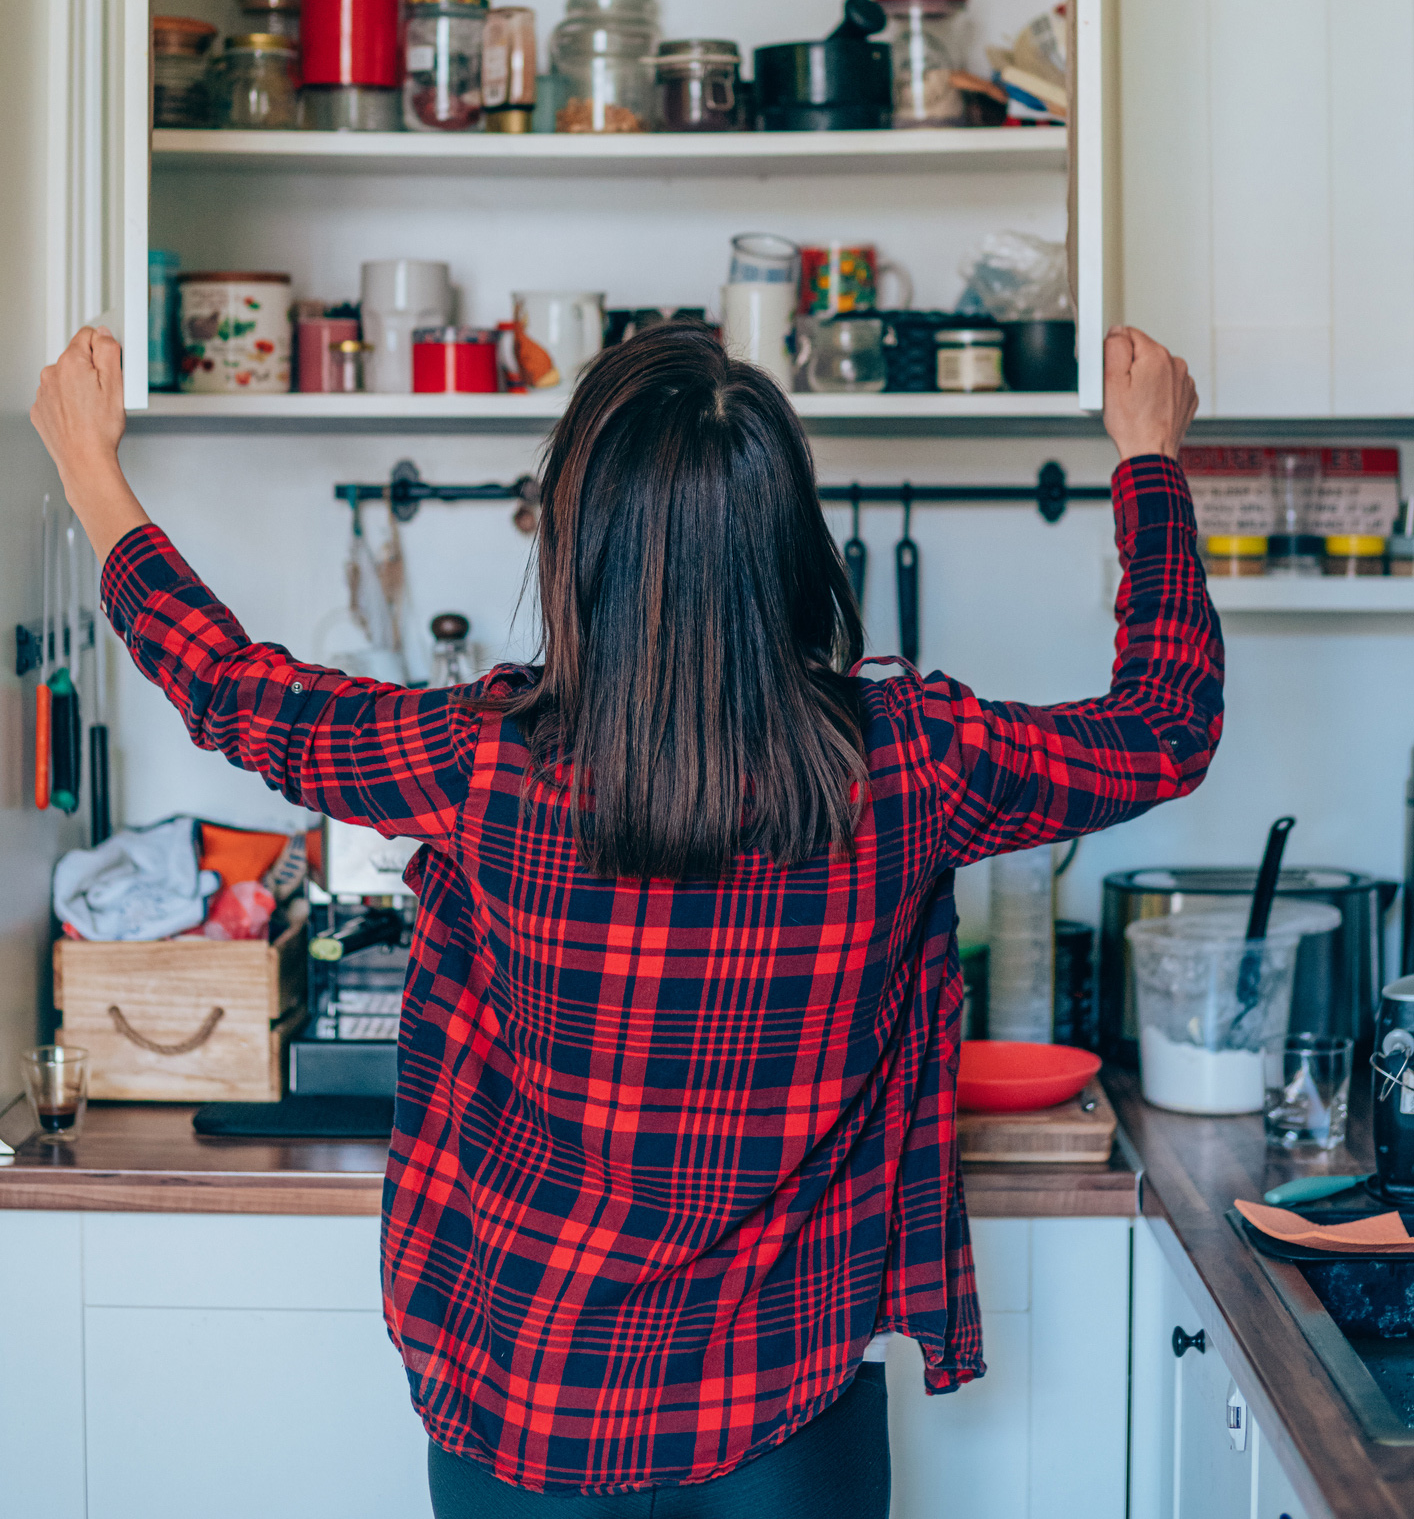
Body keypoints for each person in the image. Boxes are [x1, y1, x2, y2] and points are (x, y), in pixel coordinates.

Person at [32, 319, 1219, 1518]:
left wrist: (93, 473)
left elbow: (237, 689)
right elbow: (1167, 721)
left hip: (526, 1397)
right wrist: (1147, 459)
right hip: (786, 1409)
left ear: (575, 548)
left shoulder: (481, 764)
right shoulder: (912, 763)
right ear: (789, 545)